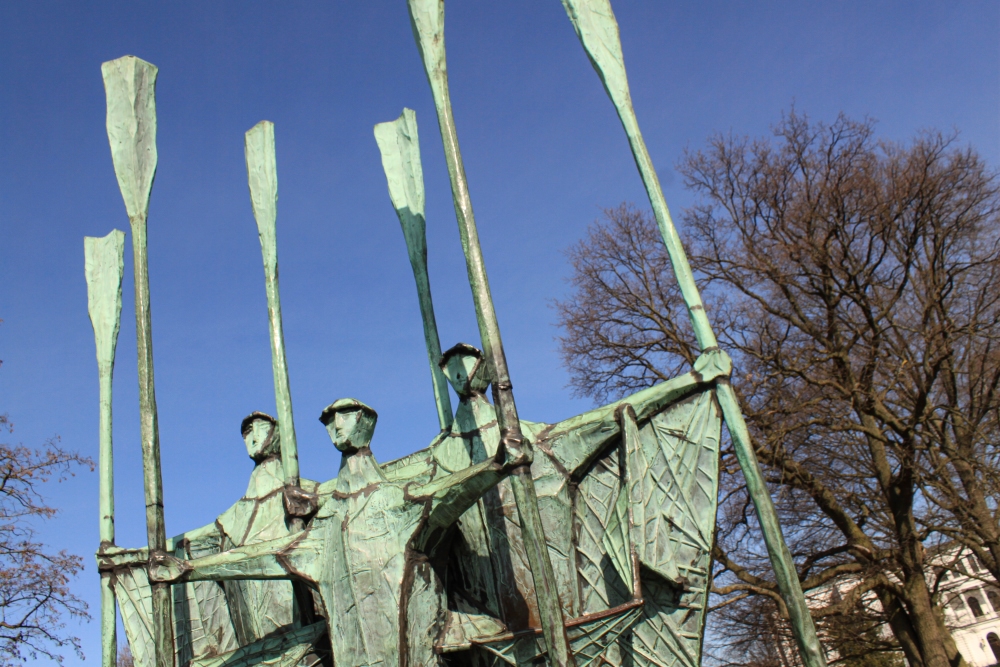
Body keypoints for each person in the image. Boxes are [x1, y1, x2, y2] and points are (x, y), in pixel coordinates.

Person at [148, 398, 526, 667]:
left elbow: (451, 490)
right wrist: (189, 570)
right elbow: (263, 557)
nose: (336, 424)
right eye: (330, 419)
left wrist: (497, 465)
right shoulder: (325, 524)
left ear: (366, 421)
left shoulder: (398, 501)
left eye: (345, 415)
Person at [103, 412, 323, 667]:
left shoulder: (306, 495)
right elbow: (188, 541)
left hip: (303, 632)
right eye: (247, 432)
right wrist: (129, 558)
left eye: (260, 428)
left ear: (278, 435)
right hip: (254, 637)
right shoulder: (237, 514)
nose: (252, 436)